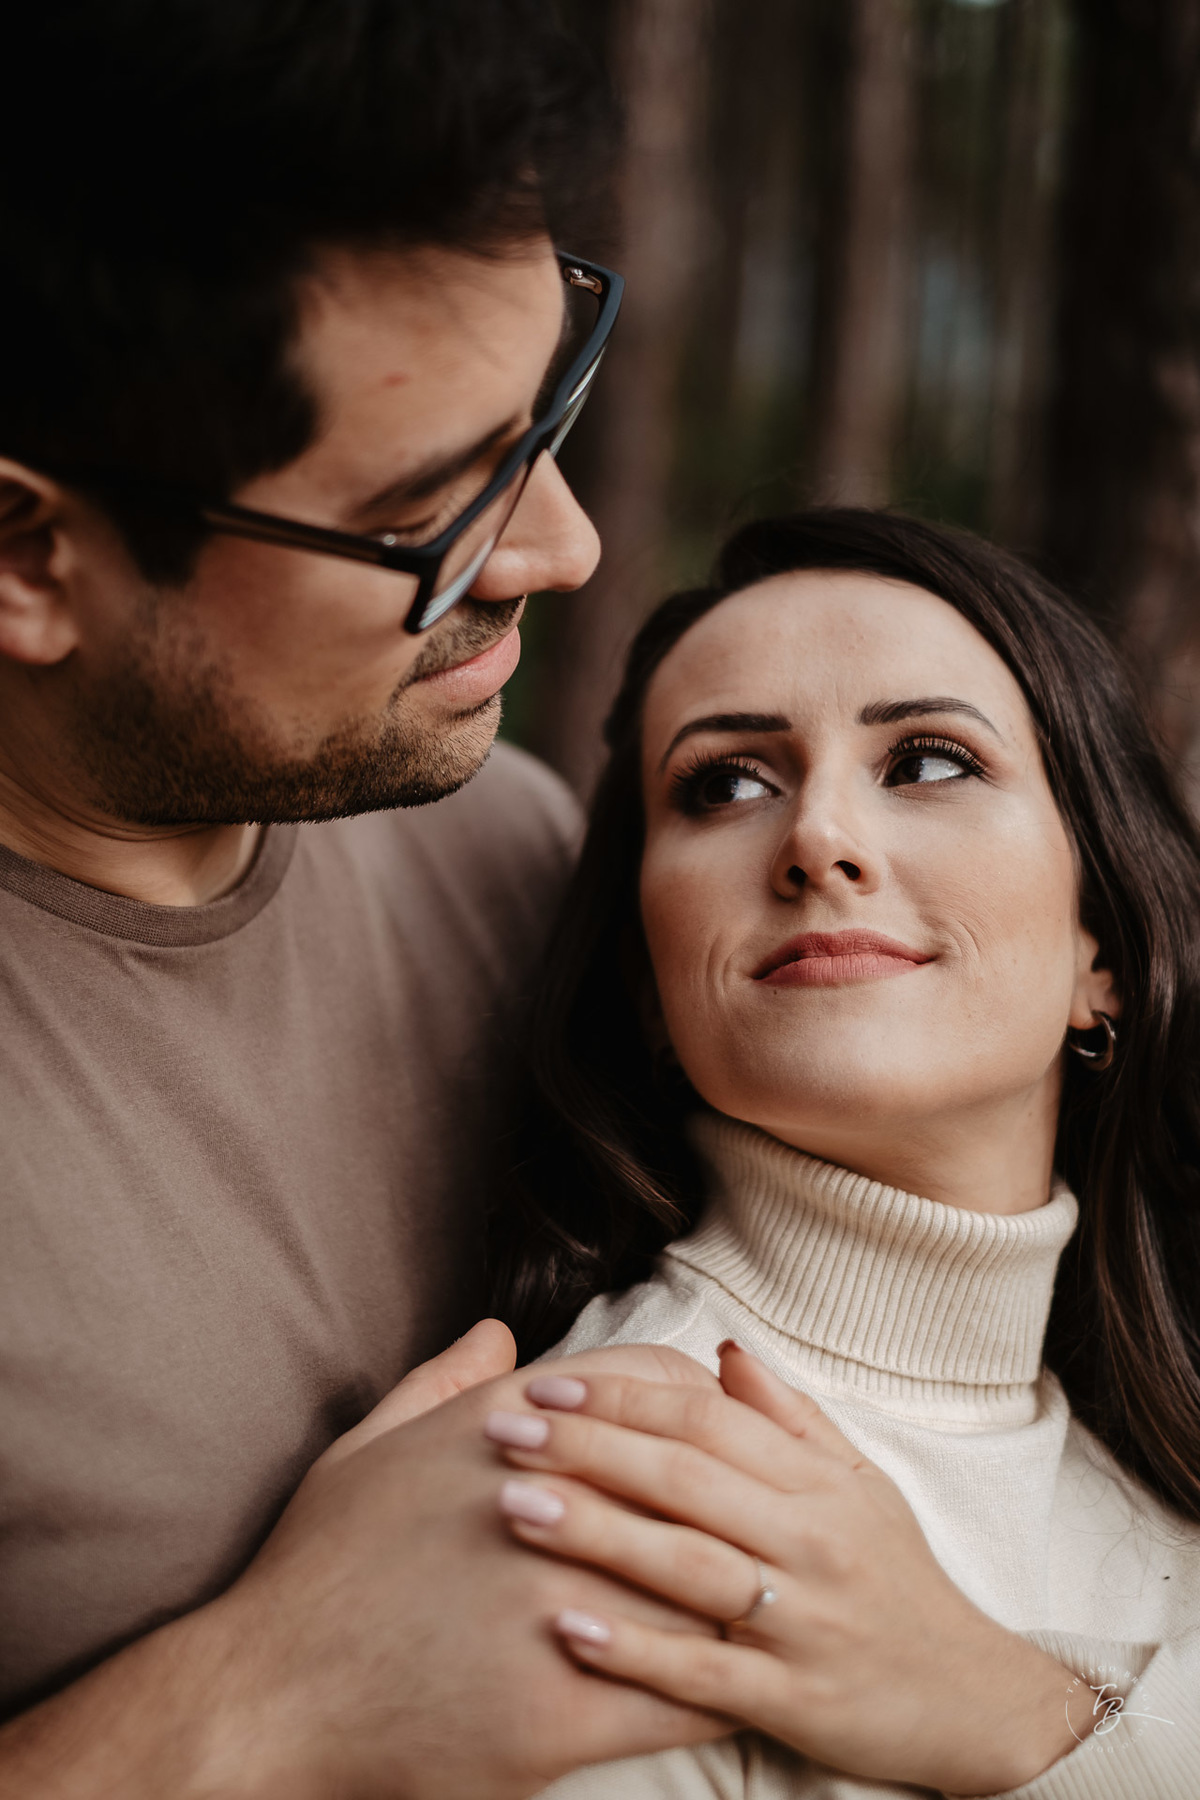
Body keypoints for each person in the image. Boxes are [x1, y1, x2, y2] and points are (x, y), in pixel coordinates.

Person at [0, 3, 751, 1793]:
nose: (564, 548)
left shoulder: (515, 852)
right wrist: (264, 1694)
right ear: (29, 557)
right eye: (439, 511)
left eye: (546, 408)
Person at [485, 510, 1200, 1797]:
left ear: (1104, 948)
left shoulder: (1160, 1466)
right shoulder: (625, 1490)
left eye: (926, 761)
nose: (817, 836)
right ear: (650, 988)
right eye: (727, 784)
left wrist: (1026, 1722)